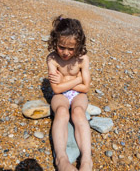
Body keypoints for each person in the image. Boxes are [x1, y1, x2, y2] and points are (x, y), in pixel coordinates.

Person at [46, 15, 92, 171]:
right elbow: (56, 89)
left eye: (71, 49)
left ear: (78, 46)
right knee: (61, 112)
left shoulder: (82, 59)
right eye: (61, 47)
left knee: (78, 112)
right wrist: (77, 79)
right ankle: (62, 159)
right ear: (55, 42)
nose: (65, 52)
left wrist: (64, 82)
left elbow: (86, 88)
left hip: (78, 95)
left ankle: (86, 159)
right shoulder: (52, 59)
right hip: (61, 96)